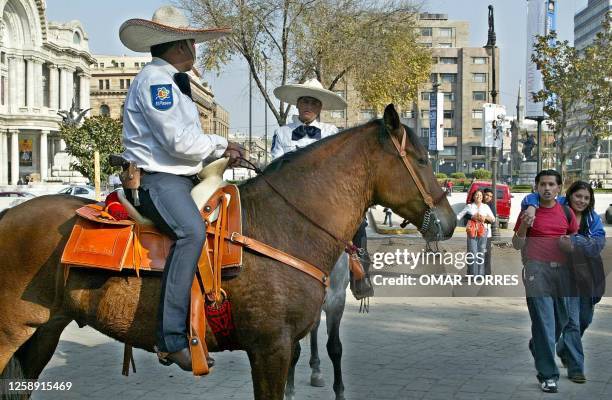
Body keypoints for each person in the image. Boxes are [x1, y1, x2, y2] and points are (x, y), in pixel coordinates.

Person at [118, 5, 245, 371]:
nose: (195, 50)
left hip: (182, 176)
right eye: (192, 43)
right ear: (180, 45)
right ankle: (171, 339)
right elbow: (178, 142)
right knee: (190, 232)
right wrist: (222, 146)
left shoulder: (174, 81)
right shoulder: (157, 81)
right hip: (158, 180)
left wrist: (219, 153)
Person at [521, 180, 606, 384]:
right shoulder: (559, 206)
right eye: (578, 196)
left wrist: (574, 242)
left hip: (586, 278)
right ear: (568, 195)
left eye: (586, 198)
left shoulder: (592, 219)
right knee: (572, 323)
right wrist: (533, 206)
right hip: (563, 277)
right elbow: (531, 197)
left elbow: (598, 244)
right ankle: (576, 366)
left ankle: (547, 345)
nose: (582, 201)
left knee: (584, 320)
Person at [512, 170, 579, 393]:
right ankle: (549, 376)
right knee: (545, 323)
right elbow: (517, 244)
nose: (547, 188)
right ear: (537, 187)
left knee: (561, 320)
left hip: (562, 273)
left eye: (551, 184)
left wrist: (569, 245)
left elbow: (573, 241)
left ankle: (537, 345)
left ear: (559, 188)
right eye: (543, 184)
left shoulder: (566, 212)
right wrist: (524, 224)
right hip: (536, 271)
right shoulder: (528, 211)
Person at [270, 78, 346, 159]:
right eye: (305, 101)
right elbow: (277, 166)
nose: (309, 107)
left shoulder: (331, 132)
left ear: (320, 108)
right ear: (297, 104)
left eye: (314, 103)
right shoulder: (281, 133)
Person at [456, 189, 495, 276]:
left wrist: (485, 218)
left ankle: (480, 274)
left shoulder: (486, 207)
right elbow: (459, 216)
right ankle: (472, 273)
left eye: (480, 196)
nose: (479, 197)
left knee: (481, 253)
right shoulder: (469, 206)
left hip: (483, 232)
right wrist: (471, 217)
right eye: (477, 195)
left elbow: (493, 219)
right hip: (472, 232)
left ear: (482, 198)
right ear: (473, 196)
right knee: (472, 252)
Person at [482, 188, 497, 276]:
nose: (488, 197)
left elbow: (492, 219)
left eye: (490, 196)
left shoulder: (491, 206)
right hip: (474, 233)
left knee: (486, 253)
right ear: (483, 194)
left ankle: (487, 273)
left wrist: (483, 217)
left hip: (487, 233)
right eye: (487, 195)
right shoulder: (476, 203)